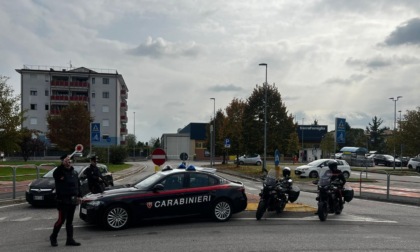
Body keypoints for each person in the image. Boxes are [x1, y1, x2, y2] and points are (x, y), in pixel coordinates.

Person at [49, 155, 82, 247]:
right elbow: (55, 174)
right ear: (63, 162)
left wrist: (79, 196)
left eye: (69, 161)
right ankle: (53, 237)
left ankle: (70, 239)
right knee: (61, 220)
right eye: (66, 161)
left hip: (72, 200)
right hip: (63, 200)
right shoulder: (59, 172)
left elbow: (77, 185)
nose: (68, 162)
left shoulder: (74, 172)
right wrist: (61, 165)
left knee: (70, 221)